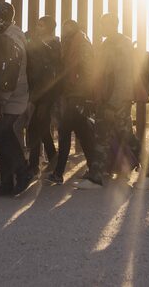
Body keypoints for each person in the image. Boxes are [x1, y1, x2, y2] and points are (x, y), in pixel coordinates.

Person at [82, 13, 149, 189]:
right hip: (107, 100)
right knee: (103, 136)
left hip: (116, 101)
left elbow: (123, 77)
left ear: (111, 25)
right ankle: (96, 177)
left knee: (126, 137)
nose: (101, 27)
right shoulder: (109, 43)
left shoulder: (121, 45)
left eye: (103, 24)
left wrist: (113, 104)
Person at [0, 2, 34, 197]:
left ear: (4, 17)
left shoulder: (12, 37)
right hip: (9, 93)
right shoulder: (7, 34)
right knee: (1, 136)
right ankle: (6, 183)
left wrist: (2, 98)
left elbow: (12, 71)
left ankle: (23, 172)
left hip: (13, 94)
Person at [48, 20, 97, 185]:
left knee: (68, 131)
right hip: (72, 94)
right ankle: (92, 170)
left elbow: (88, 69)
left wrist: (84, 92)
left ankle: (59, 172)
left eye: (67, 27)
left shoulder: (81, 42)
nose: (64, 30)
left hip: (78, 94)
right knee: (81, 133)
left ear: (75, 28)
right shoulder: (70, 43)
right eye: (63, 27)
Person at [25, 15, 62, 177]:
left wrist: (47, 101)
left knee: (34, 128)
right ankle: (53, 159)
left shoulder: (54, 44)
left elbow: (51, 70)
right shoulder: (39, 42)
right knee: (42, 128)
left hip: (48, 94)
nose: (37, 27)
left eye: (41, 25)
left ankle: (33, 166)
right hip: (39, 93)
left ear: (49, 28)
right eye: (38, 25)